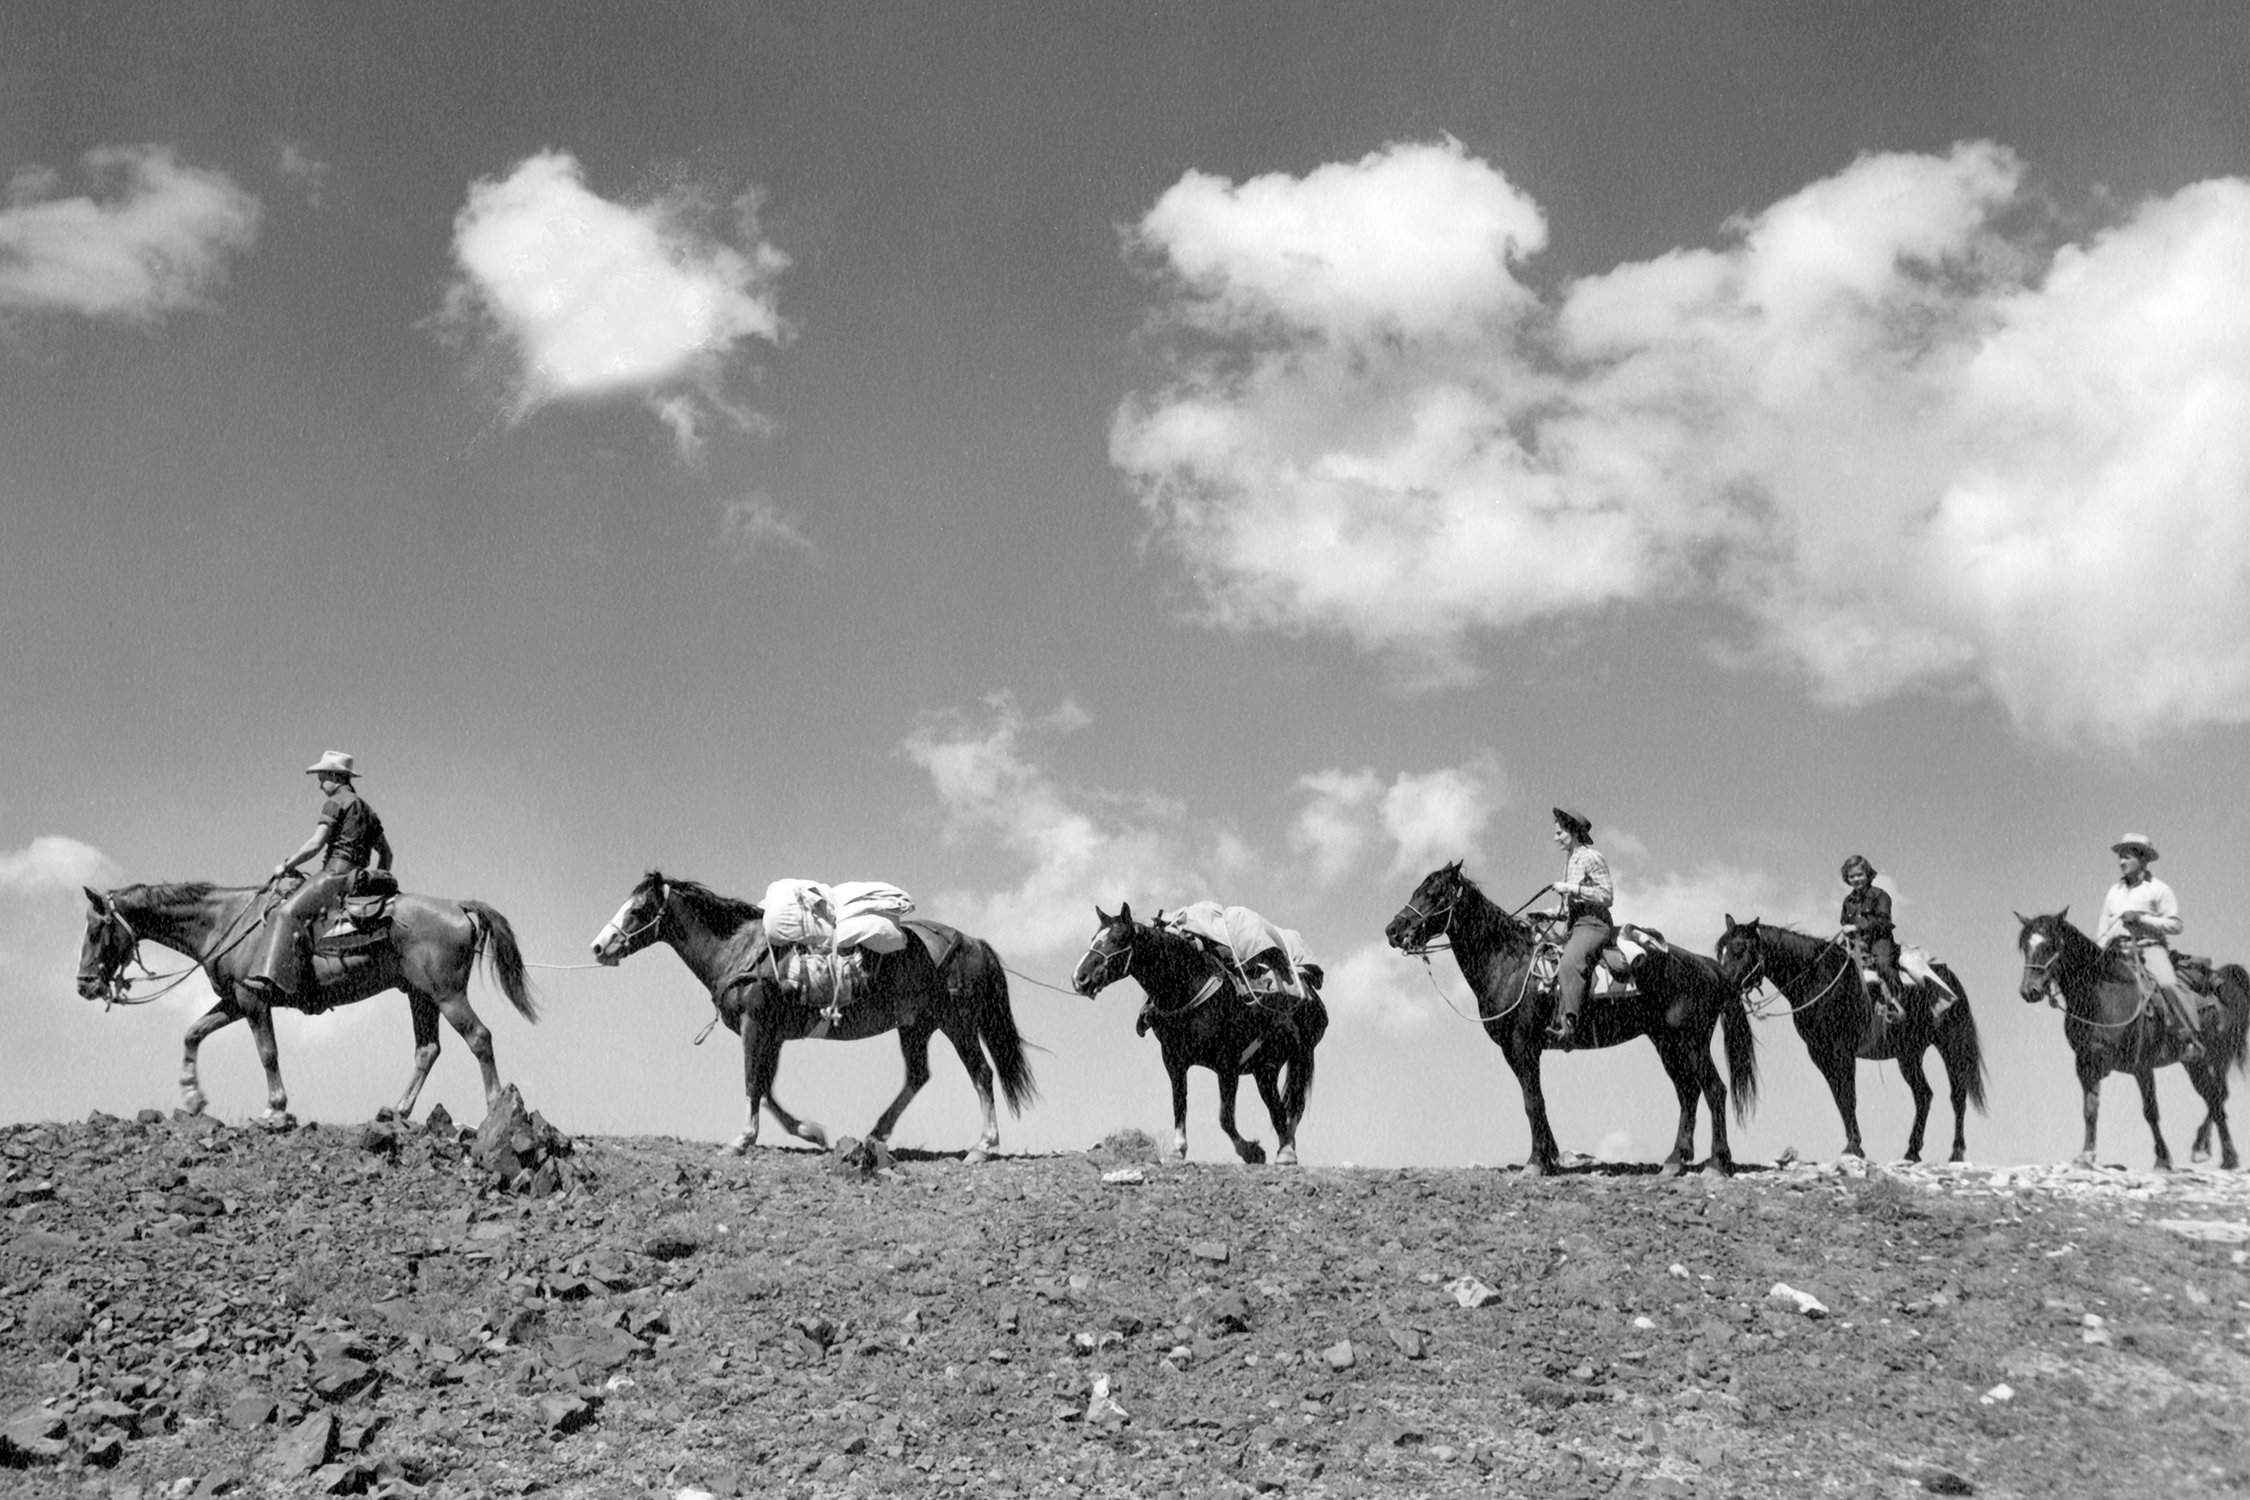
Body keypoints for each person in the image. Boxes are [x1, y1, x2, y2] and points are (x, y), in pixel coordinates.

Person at [244, 752, 392, 999]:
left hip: (334, 875)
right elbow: (387, 854)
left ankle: (269, 979)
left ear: (336, 776)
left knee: (283, 913)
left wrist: (286, 865)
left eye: (322, 777)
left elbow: (315, 844)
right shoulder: (368, 811)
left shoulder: (336, 802)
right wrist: (375, 881)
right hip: (358, 878)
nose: (320, 783)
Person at [2094, 833, 2202, 1061]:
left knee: (2168, 984)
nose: (2121, 862)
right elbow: (2103, 930)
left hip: (2149, 948)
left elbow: (2176, 925)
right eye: (2120, 857)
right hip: (2117, 952)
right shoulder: (2113, 892)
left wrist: (2142, 919)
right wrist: (2098, 954)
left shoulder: (2159, 889)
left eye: (2127, 857)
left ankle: (2188, 1038)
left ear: (2143, 859)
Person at [1543, 808, 1614, 1049]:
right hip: (1574, 925)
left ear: (1573, 832)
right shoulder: (1569, 862)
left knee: (1569, 962)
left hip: (1594, 924)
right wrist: (1547, 914)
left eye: (1559, 833)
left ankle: (1570, 1025)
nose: (1555, 838)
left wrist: (1572, 889)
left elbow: (1607, 895)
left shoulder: (1592, 857)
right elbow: (1566, 909)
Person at [1838, 855, 1906, 1021]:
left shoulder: (1881, 895)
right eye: (1852, 876)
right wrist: (1847, 932)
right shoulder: (1847, 901)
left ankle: (1896, 1003)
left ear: (1868, 874)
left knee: (1883, 964)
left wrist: (1858, 928)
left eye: (1859, 875)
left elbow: (1883, 922)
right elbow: (1844, 922)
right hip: (1855, 942)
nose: (1856, 879)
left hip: (1879, 940)